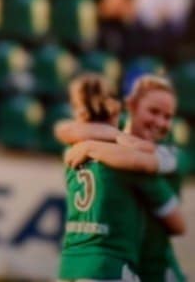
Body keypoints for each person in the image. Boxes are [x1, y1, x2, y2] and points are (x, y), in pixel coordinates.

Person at [58, 75, 187, 282]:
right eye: (153, 111)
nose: (160, 122)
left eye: (168, 116)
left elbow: (144, 161)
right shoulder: (117, 153)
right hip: (118, 266)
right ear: (130, 106)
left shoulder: (172, 153)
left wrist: (90, 147)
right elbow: (65, 129)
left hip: (152, 268)